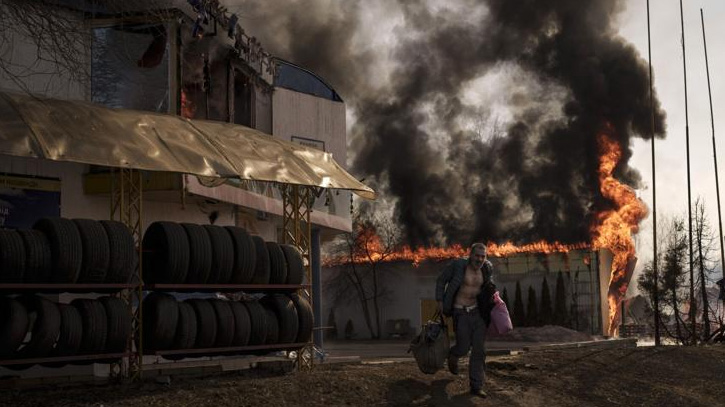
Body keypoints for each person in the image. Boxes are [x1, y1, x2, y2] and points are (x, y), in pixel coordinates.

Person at [435, 242, 496, 398]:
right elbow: (441, 280)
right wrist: (440, 301)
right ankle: (453, 355)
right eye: (477, 255)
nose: (479, 259)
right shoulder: (458, 265)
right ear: (470, 255)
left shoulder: (487, 269)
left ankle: (476, 385)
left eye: (483, 256)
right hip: (460, 312)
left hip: (477, 313)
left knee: (479, 350)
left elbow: (489, 287)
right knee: (463, 347)